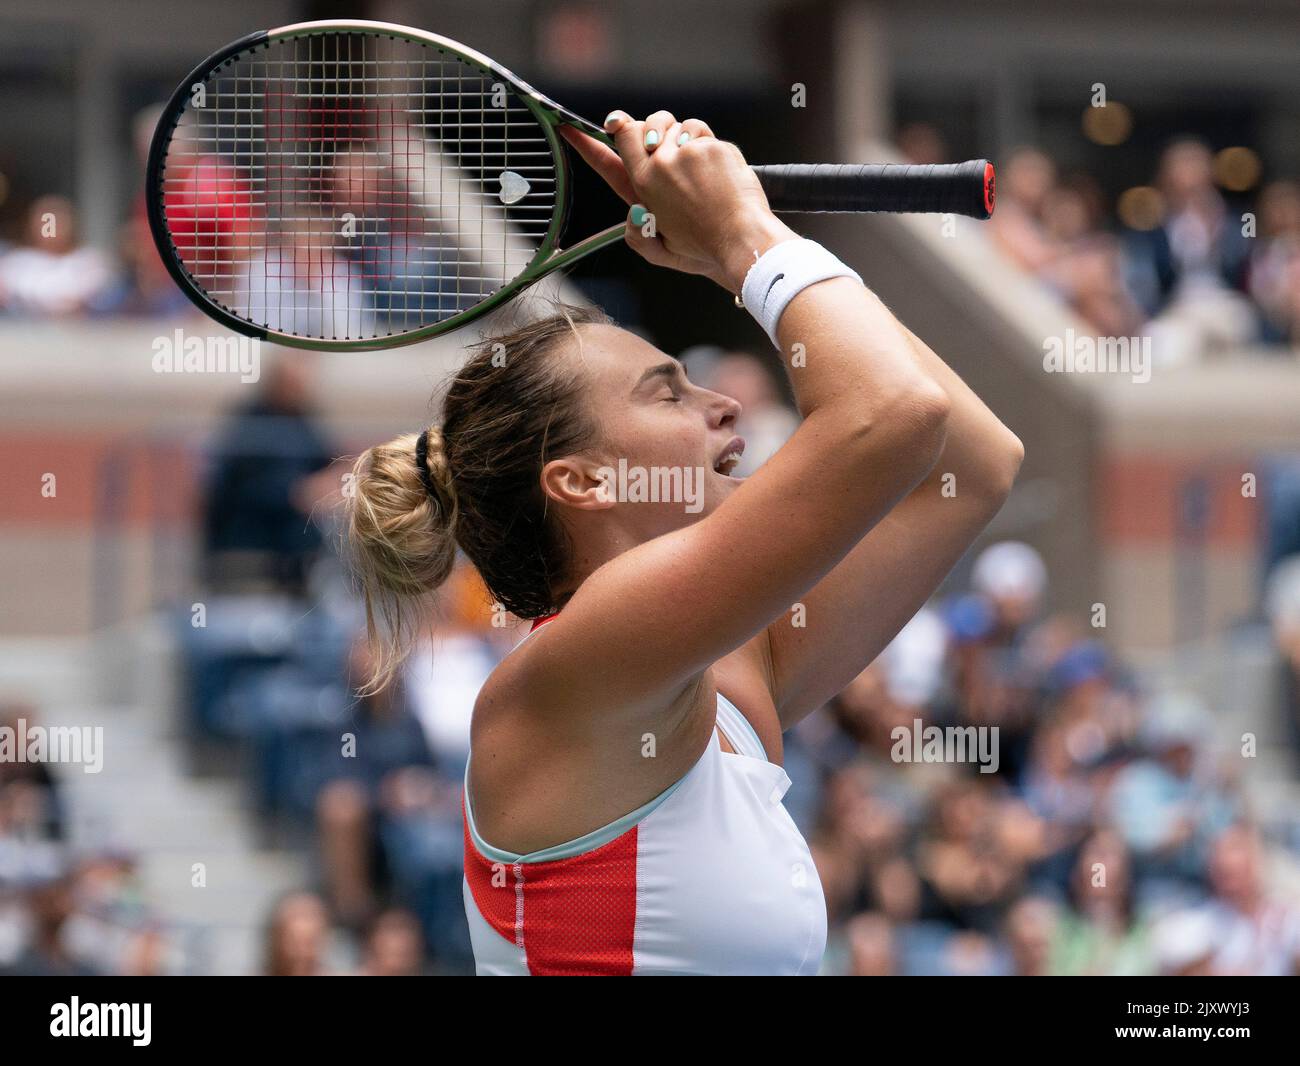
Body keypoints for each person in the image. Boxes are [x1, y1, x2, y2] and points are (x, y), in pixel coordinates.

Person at [345, 109, 1023, 975]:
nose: (723, 405)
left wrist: (739, 249)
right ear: (582, 480)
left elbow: (969, 463)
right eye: (667, 395)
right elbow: (895, 414)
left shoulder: (730, 671)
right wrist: (741, 235)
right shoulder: (578, 665)